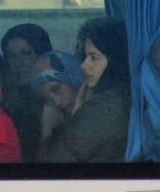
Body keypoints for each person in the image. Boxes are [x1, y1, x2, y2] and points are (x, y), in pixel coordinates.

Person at [40, 17, 130, 163]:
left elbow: (53, 165)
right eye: (86, 56)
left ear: (115, 61)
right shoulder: (120, 96)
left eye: (94, 58)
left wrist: (48, 129)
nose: (83, 65)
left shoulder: (104, 107)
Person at [0, 23, 53, 161]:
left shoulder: (60, 99)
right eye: (12, 56)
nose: (19, 63)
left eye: (27, 53)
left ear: (43, 56)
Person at [30, 50, 84, 152]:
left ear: (74, 77)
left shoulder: (100, 112)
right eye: (46, 99)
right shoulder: (58, 128)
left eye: (56, 88)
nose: (57, 102)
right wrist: (47, 132)